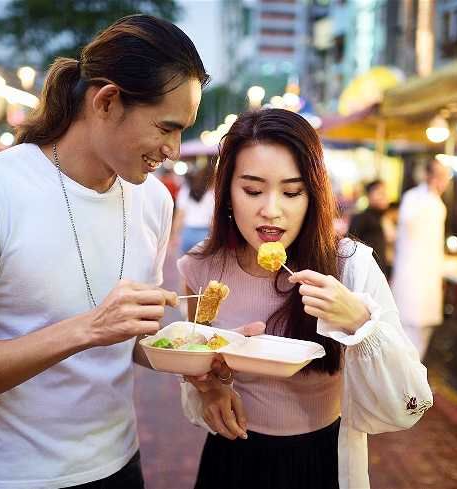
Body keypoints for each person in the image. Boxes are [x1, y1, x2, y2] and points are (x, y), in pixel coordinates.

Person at [0, 15, 209, 489]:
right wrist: (88, 328)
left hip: (122, 464)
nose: (172, 150)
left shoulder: (154, 200)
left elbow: (129, 337)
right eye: (166, 128)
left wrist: (205, 357)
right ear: (107, 101)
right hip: (14, 478)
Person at [177, 109, 432, 489]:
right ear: (226, 192)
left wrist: (360, 323)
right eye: (252, 189)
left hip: (319, 457)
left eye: (292, 192)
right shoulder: (202, 267)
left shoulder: (349, 266)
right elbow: (195, 354)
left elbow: (411, 403)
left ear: (312, 196)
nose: (272, 209)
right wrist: (210, 387)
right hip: (230, 456)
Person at [391, 159, 451, 358]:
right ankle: (405, 379)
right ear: (431, 177)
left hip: (429, 273)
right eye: (441, 175)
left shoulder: (436, 202)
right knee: (407, 328)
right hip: (412, 272)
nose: (445, 181)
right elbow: (409, 226)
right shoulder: (415, 198)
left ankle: (413, 376)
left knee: (423, 329)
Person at [348, 179, 390, 276]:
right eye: (379, 193)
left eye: (385, 193)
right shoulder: (361, 218)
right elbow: (351, 247)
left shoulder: (381, 219)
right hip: (364, 274)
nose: (384, 196)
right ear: (369, 195)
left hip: (378, 273)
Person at [175, 163, 215, 254]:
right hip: (205, 234)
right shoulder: (213, 194)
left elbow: (180, 215)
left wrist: (174, 234)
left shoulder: (186, 190)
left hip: (187, 232)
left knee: (183, 266)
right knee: (202, 267)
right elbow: (214, 219)